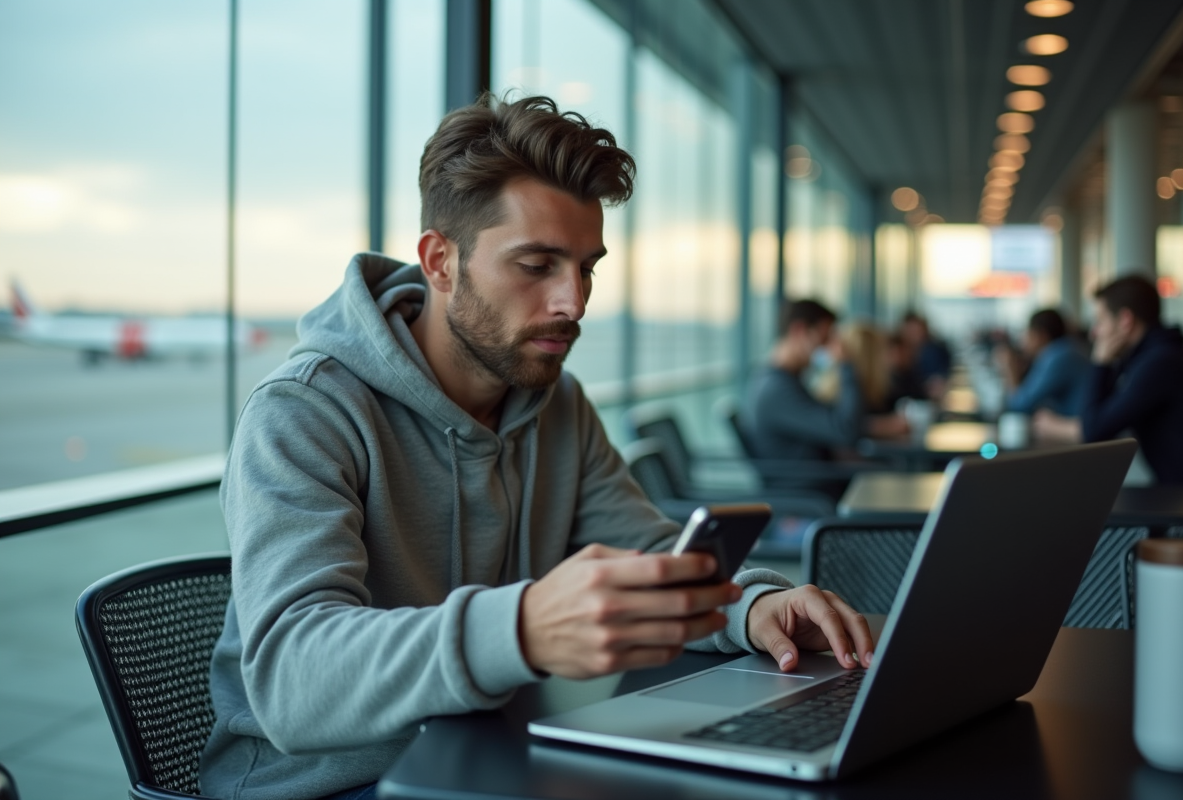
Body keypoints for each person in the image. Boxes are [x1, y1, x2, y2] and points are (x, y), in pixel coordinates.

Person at [199, 95, 874, 800]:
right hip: (330, 785)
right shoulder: (305, 411)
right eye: (536, 265)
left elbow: (653, 556)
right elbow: (291, 680)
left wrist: (752, 610)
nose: (572, 302)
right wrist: (521, 631)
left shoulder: (556, 403)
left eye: (586, 268)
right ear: (440, 261)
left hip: (493, 752)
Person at [1047, 275, 1183, 483]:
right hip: (1178, 489)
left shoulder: (1160, 363)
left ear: (1125, 320)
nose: (1094, 333)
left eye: (1100, 321)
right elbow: (1099, 419)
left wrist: (1100, 363)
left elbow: (1093, 431)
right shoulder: (1154, 355)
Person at [740, 299, 865, 482]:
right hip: (812, 489)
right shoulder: (776, 390)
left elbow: (833, 421)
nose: (828, 349)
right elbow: (846, 430)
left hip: (820, 479)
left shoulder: (778, 379)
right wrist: (846, 365)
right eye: (824, 339)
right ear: (799, 330)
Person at [998, 308, 1091, 418]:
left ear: (1040, 335)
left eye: (1028, 334)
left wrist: (1010, 369)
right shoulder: (1066, 349)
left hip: (1076, 424)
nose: (1024, 341)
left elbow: (1020, 406)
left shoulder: (1057, 356)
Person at [899, 311, 952, 402]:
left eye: (915, 330)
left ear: (924, 331)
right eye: (909, 330)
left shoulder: (932, 352)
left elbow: (938, 382)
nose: (912, 335)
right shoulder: (898, 352)